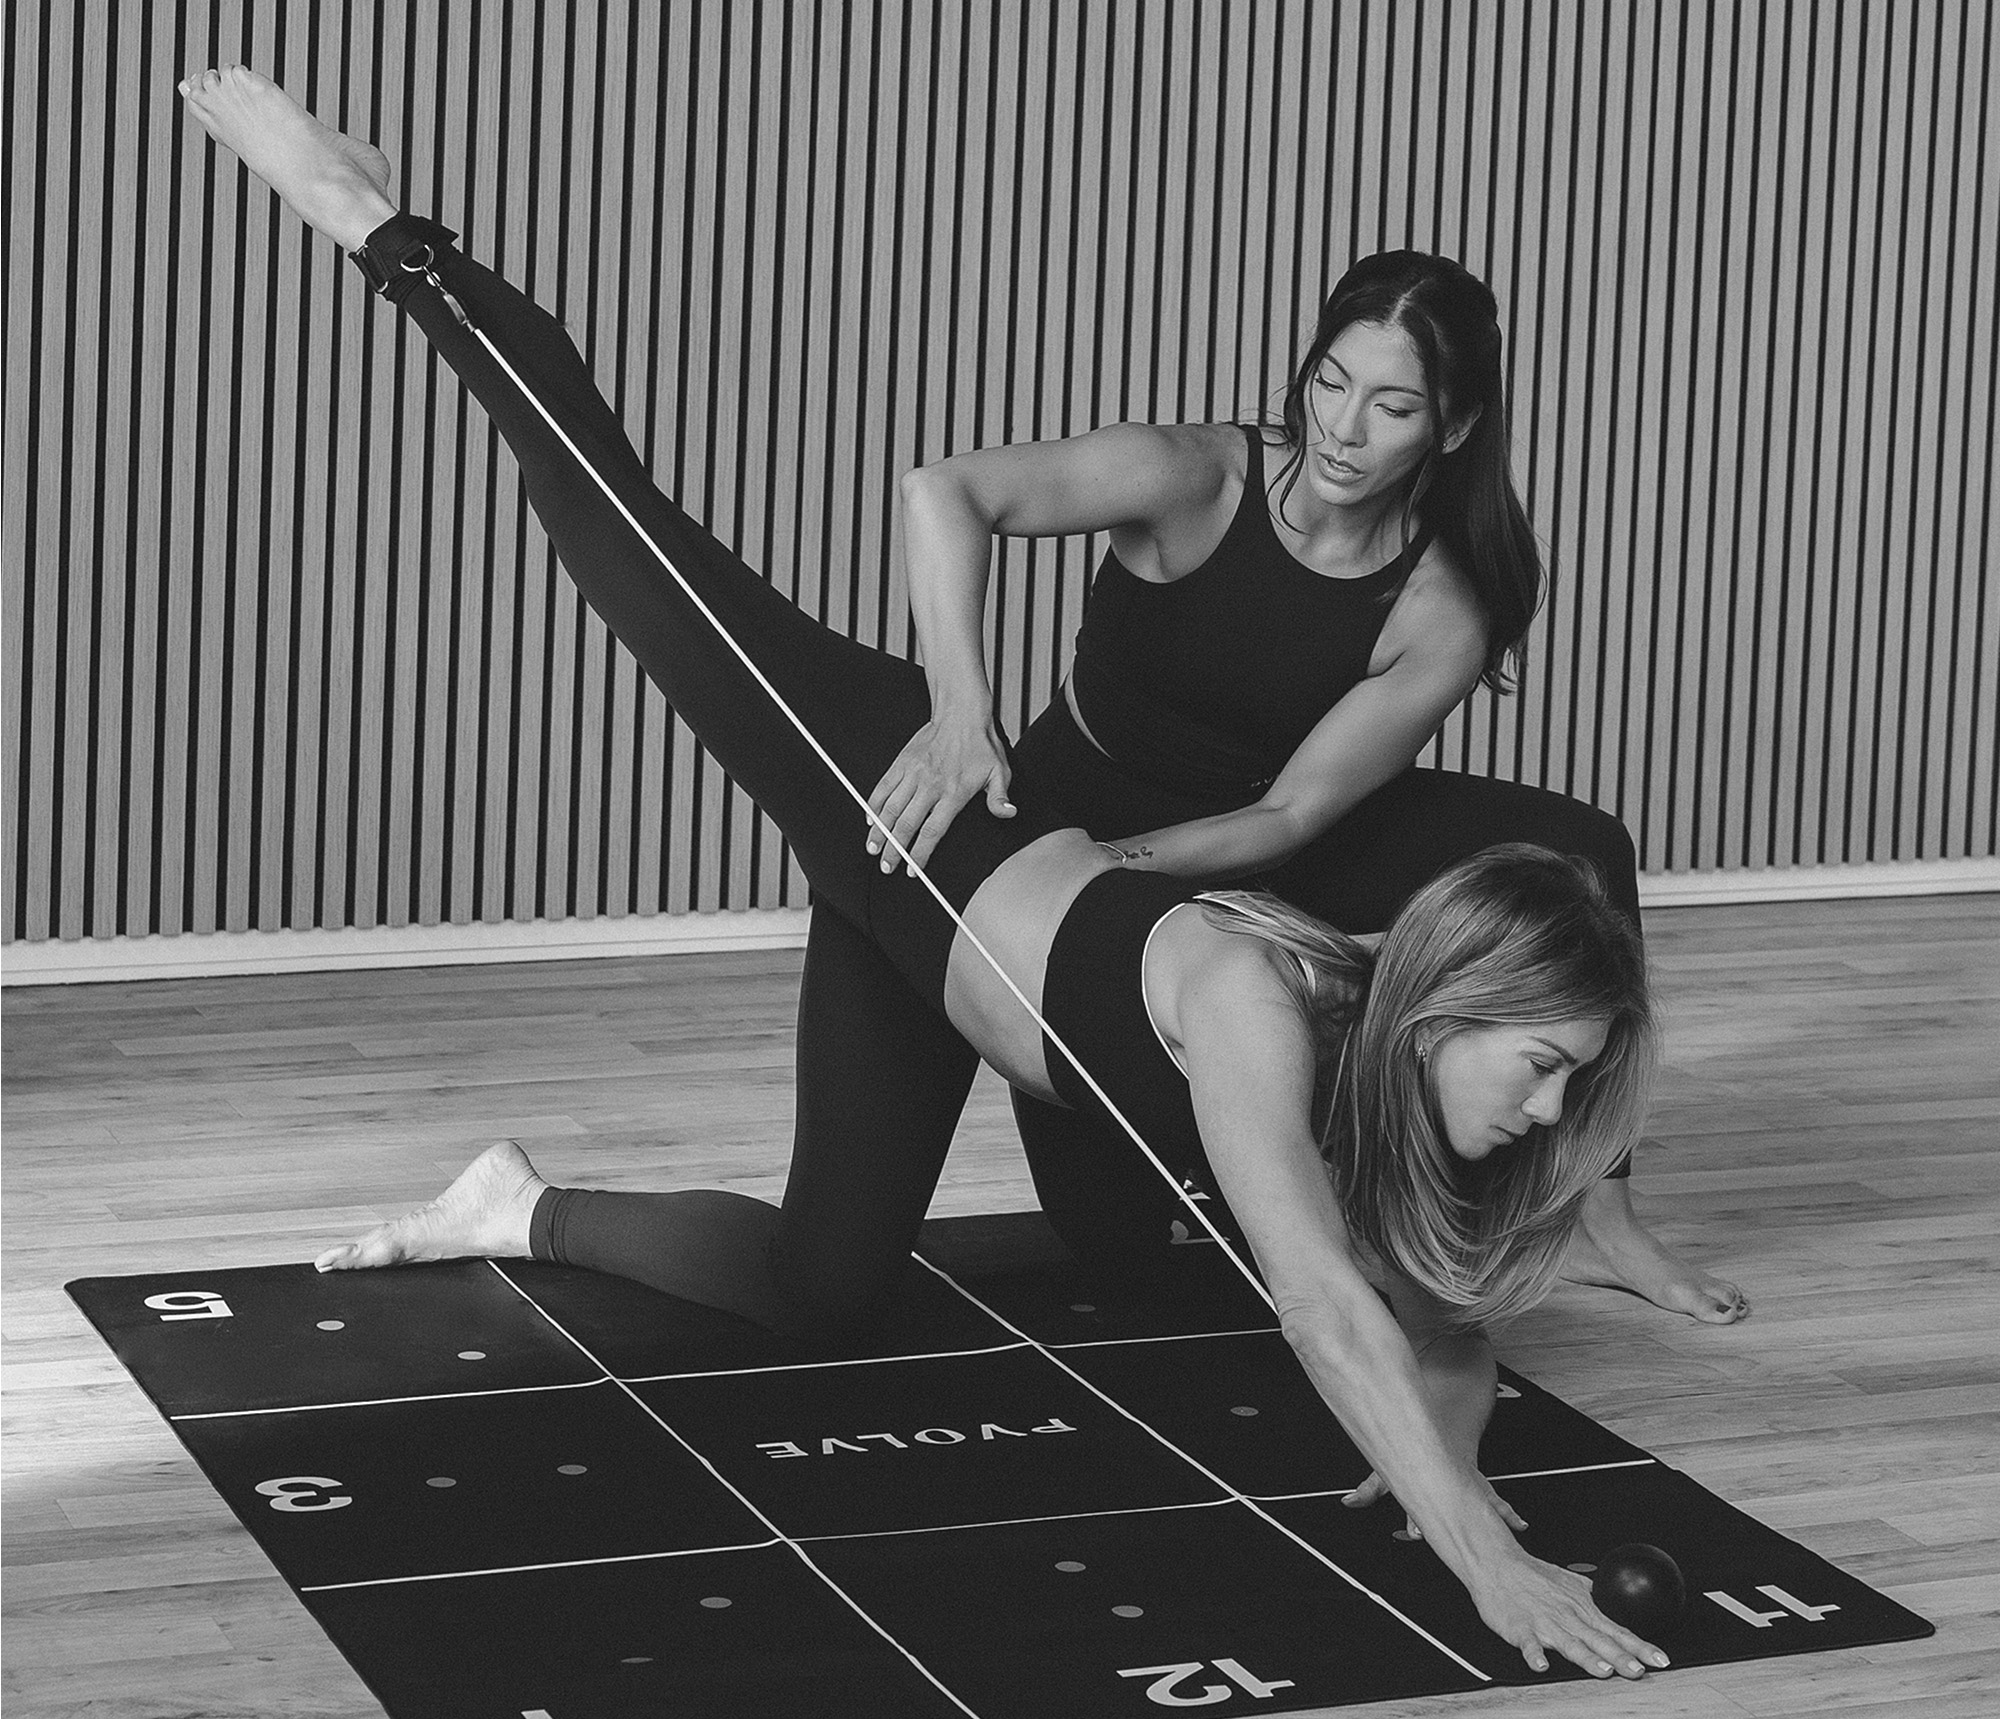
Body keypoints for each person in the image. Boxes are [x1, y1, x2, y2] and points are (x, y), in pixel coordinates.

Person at [179, 65, 1675, 1680]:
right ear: (1455, 1001)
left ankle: (513, 1201)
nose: (1536, 1110)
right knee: (635, 547)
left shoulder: (1387, 1053)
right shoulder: (1266, 1007)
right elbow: (1324, 1303)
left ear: (1451, 426)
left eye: (1561, 1088)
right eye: (1540, 1070)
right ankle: (382, 227)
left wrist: (1448, 1444)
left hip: (1013, 938)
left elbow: (1420, 1313)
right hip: (923, 828)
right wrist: (1476, 1554)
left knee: (827, 1288)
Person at [868, 249, 1746, 1324]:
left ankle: (1596, 1214)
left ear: (1452, 428)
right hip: (1065, 814)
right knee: (1120, 1259)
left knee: (1586, 848)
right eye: (1329, 383)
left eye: (1391, 406)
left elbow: (1288, 815)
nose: (1341, 428)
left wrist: (1115, 865)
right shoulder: (1198, 474)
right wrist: (962, 714)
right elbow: (942, 491)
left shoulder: (1439, 605)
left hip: (1254, 834)